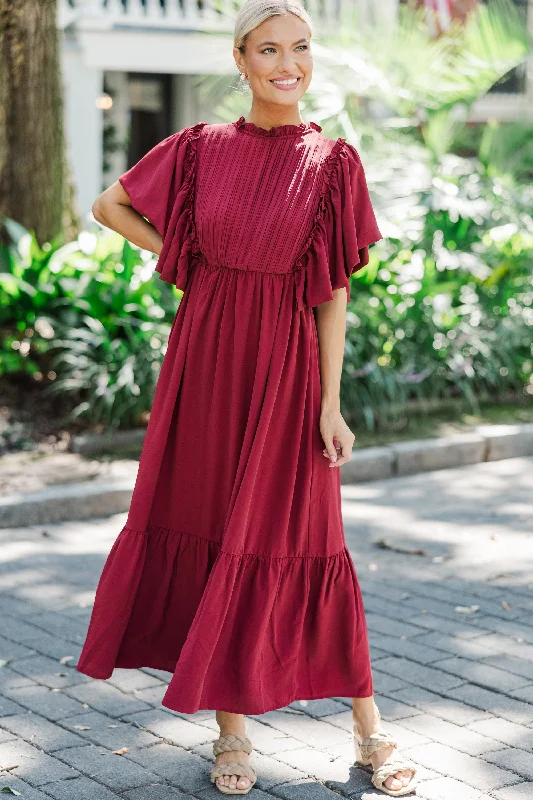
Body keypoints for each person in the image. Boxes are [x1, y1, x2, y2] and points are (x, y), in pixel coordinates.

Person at [76, 0, 418, 796]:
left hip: (288, 370)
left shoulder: (333, 162)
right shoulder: (197, 148)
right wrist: (187, 257)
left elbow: (330, 294)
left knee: (308, 538)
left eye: (299, 48)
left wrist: (330, 404)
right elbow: (109, 206)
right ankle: (232, 734)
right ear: (240, 60)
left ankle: (371, 729)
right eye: (268, 50)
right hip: (204, 363)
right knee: (211, 526)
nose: (287, 63)